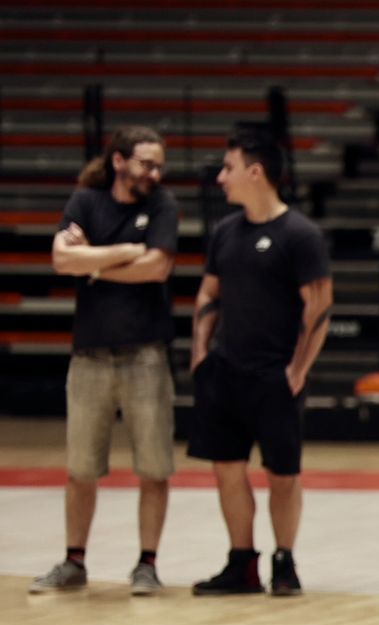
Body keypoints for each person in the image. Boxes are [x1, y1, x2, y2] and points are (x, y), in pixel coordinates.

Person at [31, 126, 179, 597]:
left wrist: (90, 261)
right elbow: (60, 259)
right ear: (119, 161)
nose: (153, 173)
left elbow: (157, 267)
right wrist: (120, 256)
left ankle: (147, 564)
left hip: (145, 355)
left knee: (154, 466)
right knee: (81, 468)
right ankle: (75, 561)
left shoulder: (162, 206)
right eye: (145, 163)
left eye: (158, 165)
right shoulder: (85, 201)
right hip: (90, 356)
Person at [187, 129, 333, 596]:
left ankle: (284, 561)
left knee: (282, 474)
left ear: (256, 171)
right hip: (225, 372)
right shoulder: (225, 233)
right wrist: (199, 357)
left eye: (228, 167)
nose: (220, 177)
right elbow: (208, 294)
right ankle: (240, 562)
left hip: (275, 375)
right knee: (226, 468)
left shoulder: (300, 234)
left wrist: (298, 370)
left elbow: (320, 307)